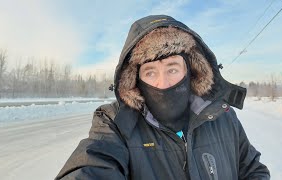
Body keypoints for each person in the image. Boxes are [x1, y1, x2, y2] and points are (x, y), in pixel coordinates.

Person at [55, 15, 270, 180]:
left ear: (191, 71)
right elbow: (93, 164)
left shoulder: (223, 116)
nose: (163, 83)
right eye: (150, 72)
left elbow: (253, 170)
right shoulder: (115, 123)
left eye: (172, 69)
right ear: (135, 79)